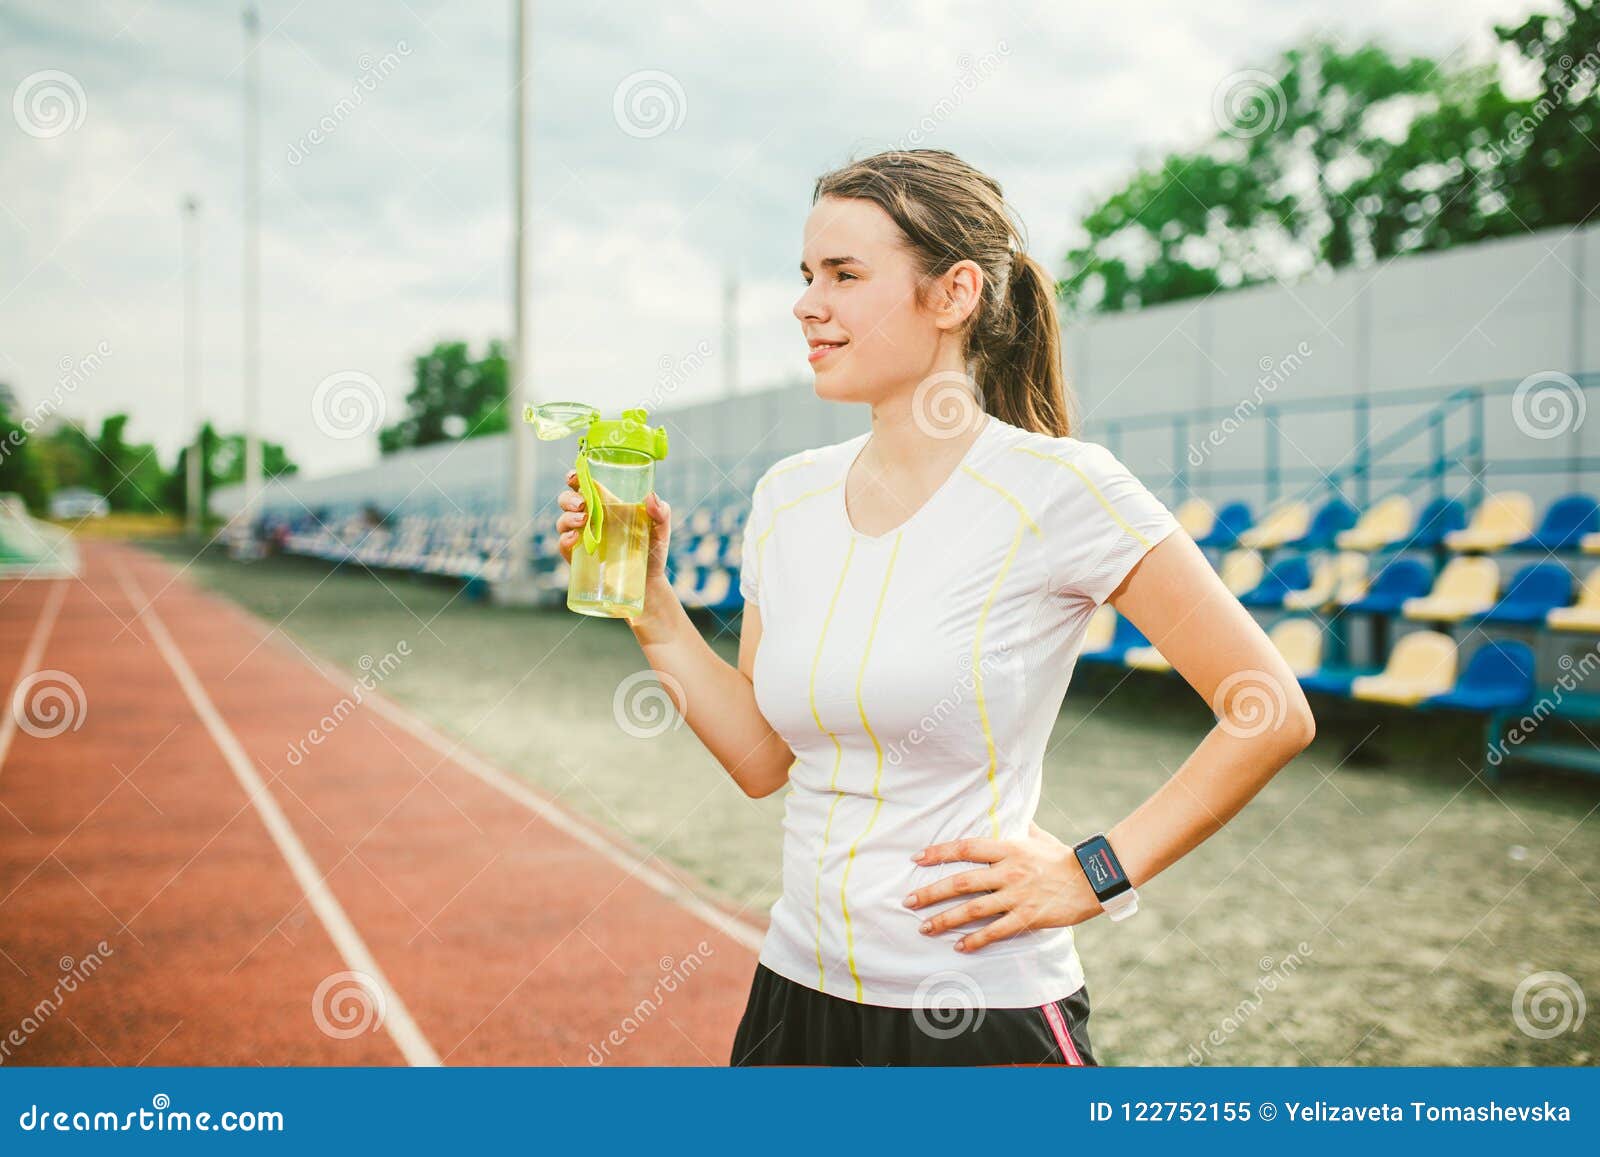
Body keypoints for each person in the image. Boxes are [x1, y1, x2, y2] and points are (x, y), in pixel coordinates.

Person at [554, 148, 1316, 1066]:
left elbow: (1269, 709)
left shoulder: (1061, 489)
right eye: (805, 276)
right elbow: (764, 759)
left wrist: (1093, 873)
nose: (807, 302)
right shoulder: (786, 497)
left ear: (953, 294)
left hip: (976, 1014)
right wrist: (652, 609)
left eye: (844, 274)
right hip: (796, 997)